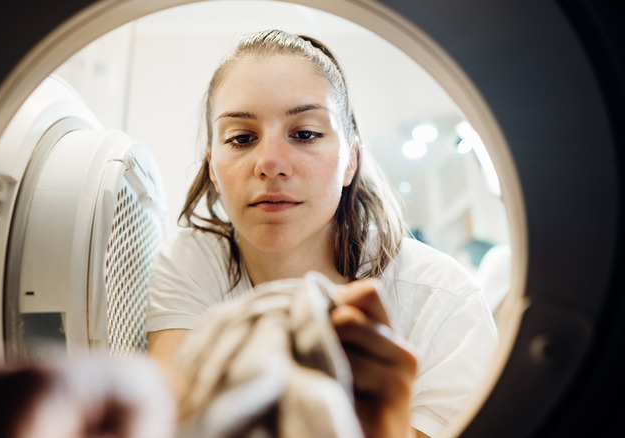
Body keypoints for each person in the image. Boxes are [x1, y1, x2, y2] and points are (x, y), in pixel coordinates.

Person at [146, 29, 498, 438]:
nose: (271, 163)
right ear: (213, 169)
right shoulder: (192, 264)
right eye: (241, 138)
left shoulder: (441, 303)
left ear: (350, 159)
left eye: (306, 134)